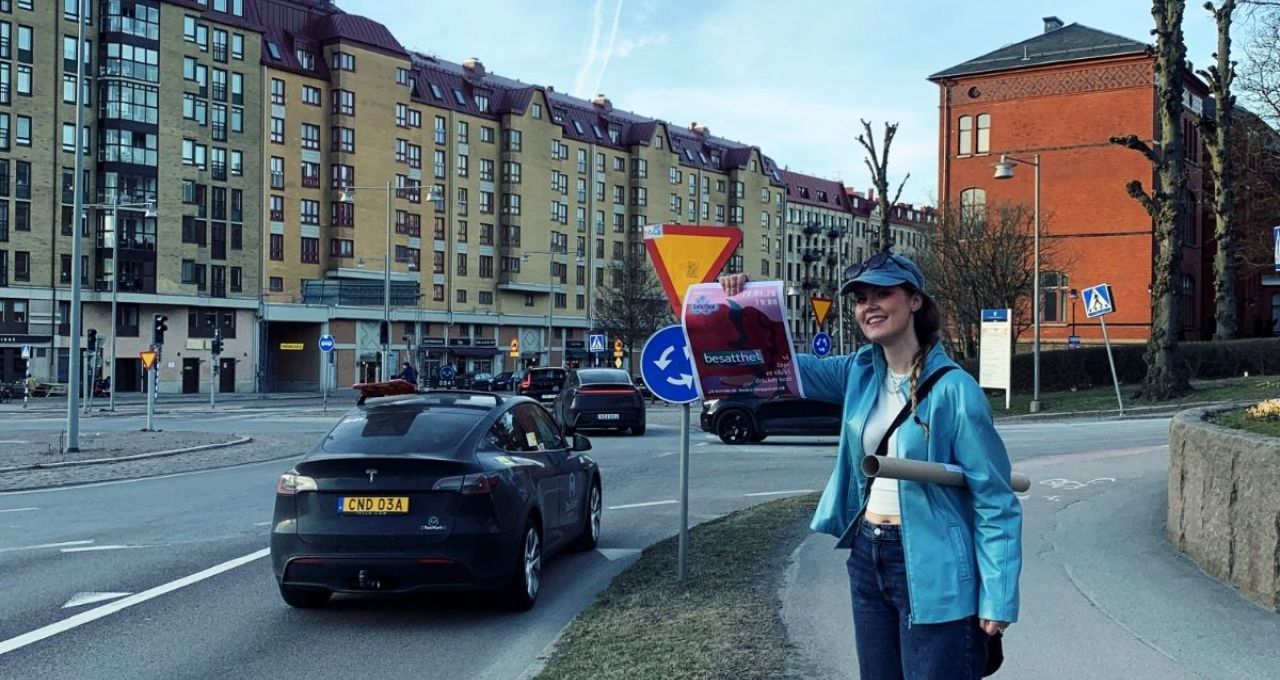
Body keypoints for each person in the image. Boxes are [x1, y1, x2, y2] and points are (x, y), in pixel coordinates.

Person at [720, 253, 1022, 679]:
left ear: (914, 300)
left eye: (883, 293)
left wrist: (998, 594)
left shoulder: (956, 390)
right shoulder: (858, 372)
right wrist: (744, 304)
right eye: (861, 298)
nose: (869, 306)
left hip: (934, 564)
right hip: (868, 553)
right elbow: (776, 365)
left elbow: (994, 498)